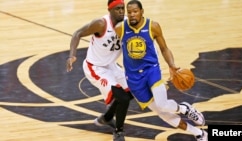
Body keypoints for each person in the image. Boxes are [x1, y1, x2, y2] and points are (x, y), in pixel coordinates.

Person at [114, 0, 208, 141]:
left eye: (135, 11)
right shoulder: (120, 28)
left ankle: (185, 109)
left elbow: (164, 48)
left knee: (162, 104)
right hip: (133, 78)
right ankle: (199, 133)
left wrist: (171, 65)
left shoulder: (153, 26)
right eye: (130, 12)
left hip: (151, 70)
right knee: (163, 114)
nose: (132, 15)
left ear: (142, 12)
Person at [66, 0, 133, 141]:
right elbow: (77, 33)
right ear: (110, 10)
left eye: (123, 8)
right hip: (95, 67)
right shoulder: (101, 24)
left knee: (133, 91)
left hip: (112, 66)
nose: (121, 11)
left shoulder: (127, 22)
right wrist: (72, 55)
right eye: (117, 9)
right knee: (123, 98)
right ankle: (119, 131)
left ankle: (107, 118)